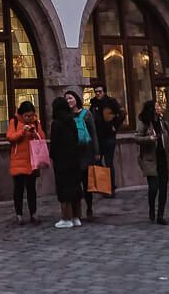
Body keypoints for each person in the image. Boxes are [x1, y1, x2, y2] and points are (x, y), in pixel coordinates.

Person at [136, 98, 169, 225]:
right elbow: (137, 138)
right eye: (157, 106)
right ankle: (151, 209)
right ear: (151, 109)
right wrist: (149, 138)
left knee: (163, 189)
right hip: (150, 160)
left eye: (159, 106)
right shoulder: (144, 123)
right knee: (153, 188)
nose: (159, 108)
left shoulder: (163, 123)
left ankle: (160, 215)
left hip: (163, 160)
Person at [63, 88, 101, 220]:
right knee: (75, 183)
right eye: (66, 99)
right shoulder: (66, 116)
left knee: (87, 183)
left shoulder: (86, 114)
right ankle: (76, 211)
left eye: (71, 98)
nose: (69, 101)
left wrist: (97, 152)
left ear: (76, 99)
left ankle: (89, 207)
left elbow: (94, 133)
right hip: (74, 153)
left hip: (86, 152)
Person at [6, 100, 45, 224]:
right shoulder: (15, 121)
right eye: (27, 116)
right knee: (18, 189)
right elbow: (10, 137)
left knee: (31, 189)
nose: (29, 118)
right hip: (18, 160)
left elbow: (42, 138)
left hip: (32, 161)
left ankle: (33, 213)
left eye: (31, 115)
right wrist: (22, 131)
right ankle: (19, 214)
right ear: (21, 115)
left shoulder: (36, 123)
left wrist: (34, 132)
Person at [49, 96, 84, 228]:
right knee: (75, 187)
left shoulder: (56, 123)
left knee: (64, 189)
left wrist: (53, 155)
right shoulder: (72, 121)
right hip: (74, 159)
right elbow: (76, 138)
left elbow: (55, 144)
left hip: (62, 161)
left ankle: (66, 217)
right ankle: (76, 216)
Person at [90, 81, 123, 190]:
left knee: (109, 162)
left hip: (109, 136)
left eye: (100, 92)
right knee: (97, 161)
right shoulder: (93, 103)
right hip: (97, 137)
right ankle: (103, 185)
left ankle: (111, 187)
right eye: (96, 92)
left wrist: (115, 126)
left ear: (104, 92)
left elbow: (122, 113)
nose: (98, 94)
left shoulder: (111, 102)